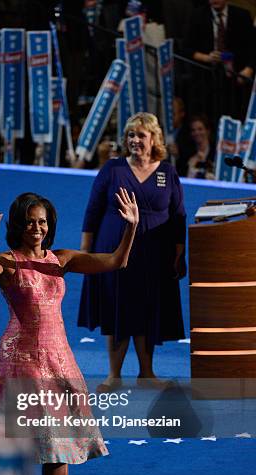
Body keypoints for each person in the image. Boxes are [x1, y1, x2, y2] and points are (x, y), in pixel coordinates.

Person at [0, 191, 139, 475]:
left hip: (60, 360)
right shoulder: (7, 261)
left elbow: (116, 260)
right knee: (18, 454)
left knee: (58, 453)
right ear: (18, 224)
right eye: (31, 221)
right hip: (23, 362)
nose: (37, 228)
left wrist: (131, 228)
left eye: (43, 221)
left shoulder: (60, 260)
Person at [78, 112, 186, 392]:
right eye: (131, 135)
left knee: (148, 309)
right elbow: (92, 210)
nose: (135, 140)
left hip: (155, 254)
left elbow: (178, 216)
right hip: (113, 250)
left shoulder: (168, 172)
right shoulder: (112, 170)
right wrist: (85, 253)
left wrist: (178, 252)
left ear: (154, 139)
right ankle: (114, 375)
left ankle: (147, 373)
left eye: (141, 135)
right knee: (117, 307)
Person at [184, 0, 255, 121]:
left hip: (237, 79)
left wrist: (249, 69)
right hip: (207, 79)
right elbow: (186, 48)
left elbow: (253, 47)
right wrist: (206, 57)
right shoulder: (197, 15)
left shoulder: (242, 15)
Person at [186, 114, 215, 180]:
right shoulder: (188, 153)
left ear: (207, 131)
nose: (196, 133)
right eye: (193, 130)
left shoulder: (216, 152)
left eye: (200, 129)